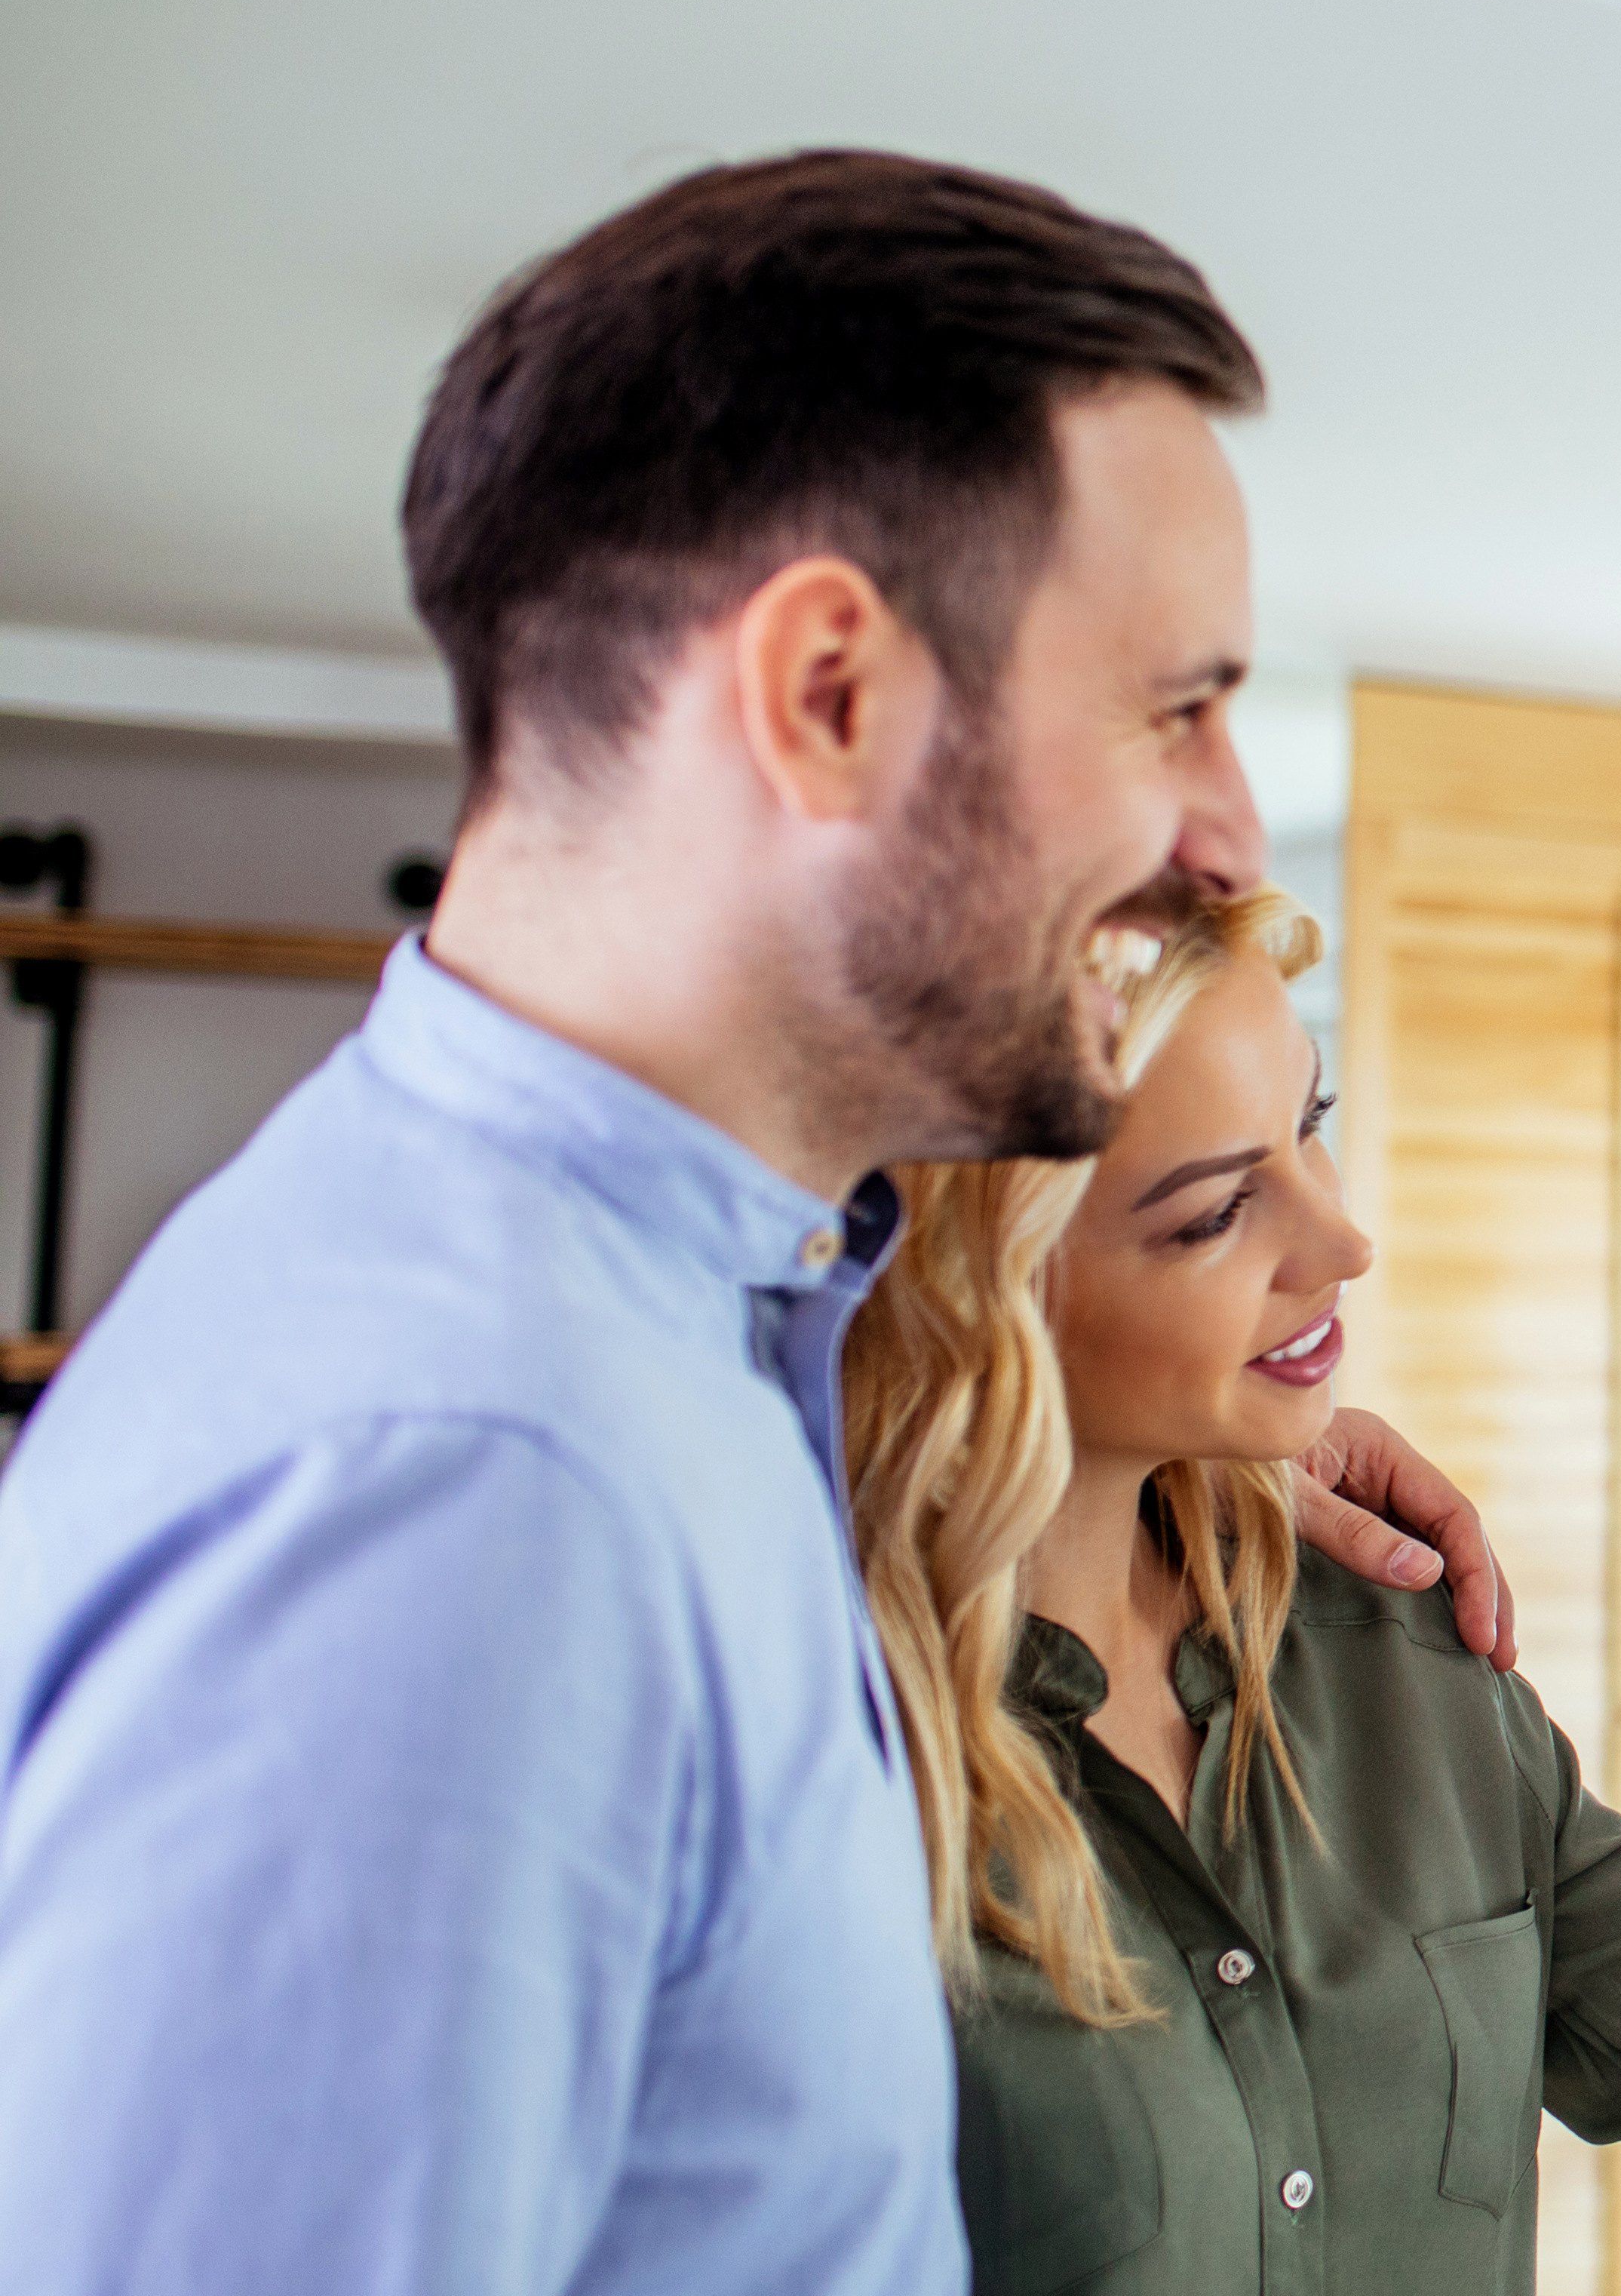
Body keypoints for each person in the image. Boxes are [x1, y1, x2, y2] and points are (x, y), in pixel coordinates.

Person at [0, 153, 1516, 2293]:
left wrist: (1198, 1443)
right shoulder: (473, 1498)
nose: (1226, 831)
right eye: (1174, 704)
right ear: (827, 693)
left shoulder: (665, 1333)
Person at [843, 887, 1621, 2291]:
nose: (1339, 1245)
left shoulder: (1389, 1642)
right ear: (990, 1290)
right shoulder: (827, 1748)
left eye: (1311, 1127)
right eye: (1215, 1210)